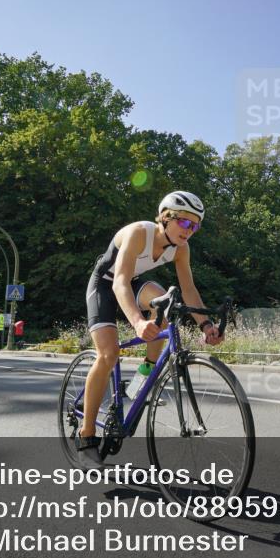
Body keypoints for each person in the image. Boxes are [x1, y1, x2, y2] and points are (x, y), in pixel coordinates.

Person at [79, 191, 223, 465]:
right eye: (184, 223)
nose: (189, 231)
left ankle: (144, 374)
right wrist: (137, 321)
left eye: (195, 226)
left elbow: (189, 289)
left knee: (166, 308)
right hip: (104, 285)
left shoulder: (181, 249)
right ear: (166, 217)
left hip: (132, 282)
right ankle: (86, 435)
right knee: (108, 355)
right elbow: (118, 281)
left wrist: (205, 325)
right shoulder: (138, 233)